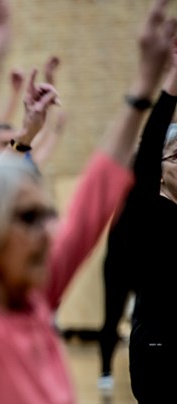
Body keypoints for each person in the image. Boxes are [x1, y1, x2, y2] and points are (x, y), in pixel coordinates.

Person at [0, 0, 168, 402]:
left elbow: (92, 201)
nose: (49, 229)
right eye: (30, 217)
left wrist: (145, 86)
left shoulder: (35, 300)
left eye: (47, 214)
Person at [98, 5, 177, 399]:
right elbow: (148, 150)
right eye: (176, 157)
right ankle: (103, 372)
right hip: (158, 350)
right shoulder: (147, 208)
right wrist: (169, 81)